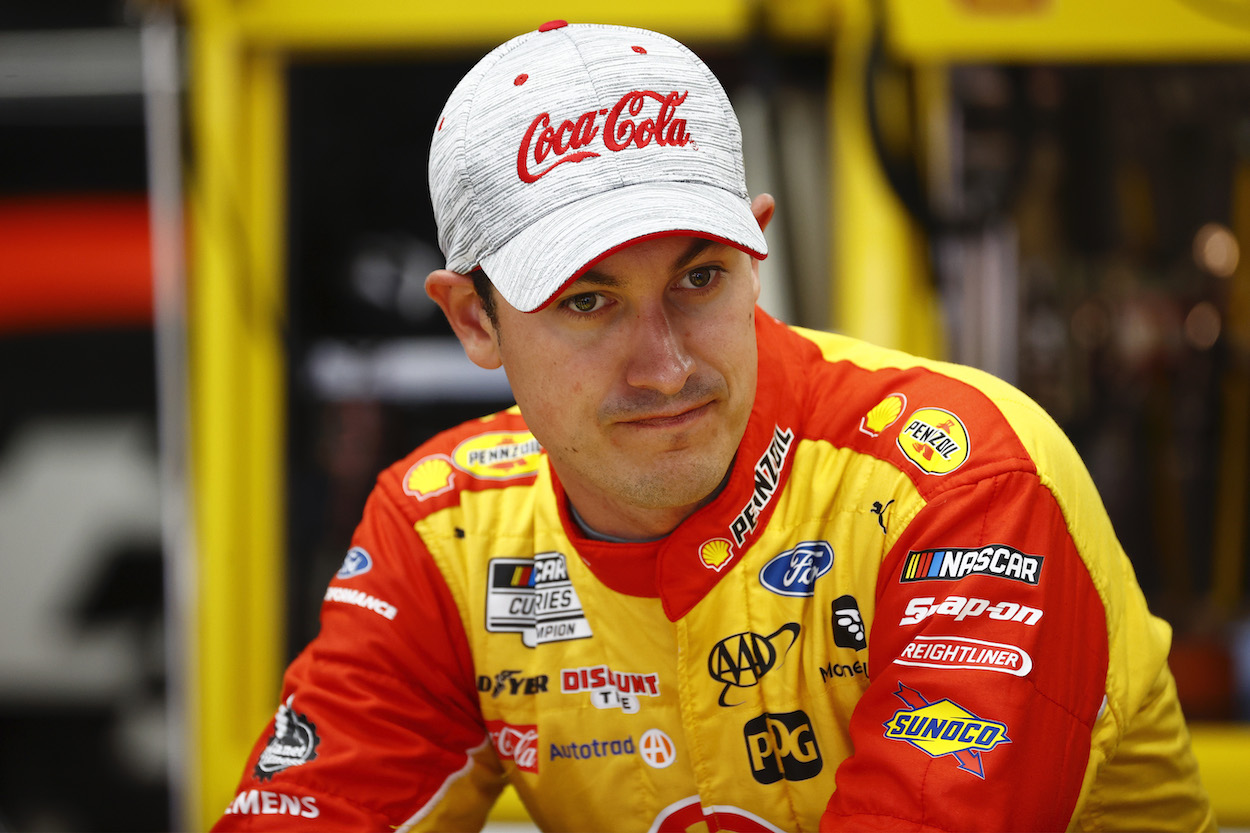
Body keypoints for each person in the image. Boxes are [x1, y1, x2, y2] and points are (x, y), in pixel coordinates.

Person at [213, 20, 1215, 832]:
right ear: (472, 318)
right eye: (586, 301)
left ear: (756, 254)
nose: (666, 365)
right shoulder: (447, 530)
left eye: (698, 278)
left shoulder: (960, 482)